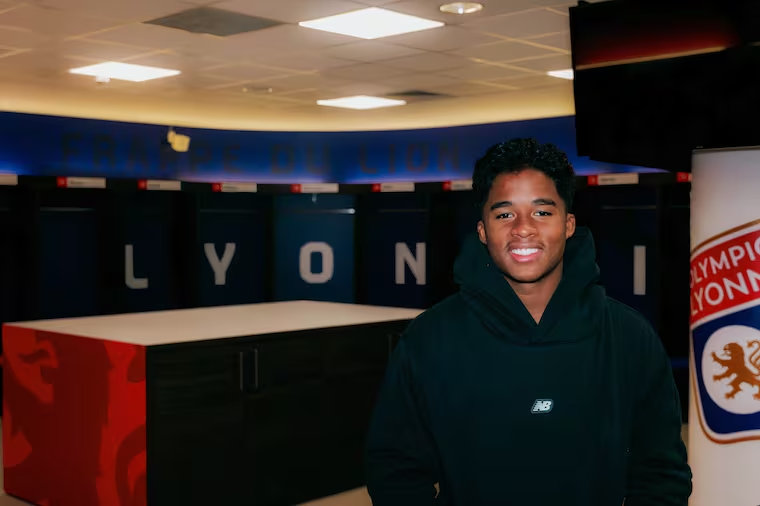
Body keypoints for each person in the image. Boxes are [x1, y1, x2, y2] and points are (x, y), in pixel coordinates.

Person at [365, 138, 691, 505]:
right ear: (482, 230)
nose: (523, 228)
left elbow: (661, 474)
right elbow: (396, 471)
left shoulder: (629, 337)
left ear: (568, 224)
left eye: (542, 212)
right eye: (505, 214)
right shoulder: (430, 338)